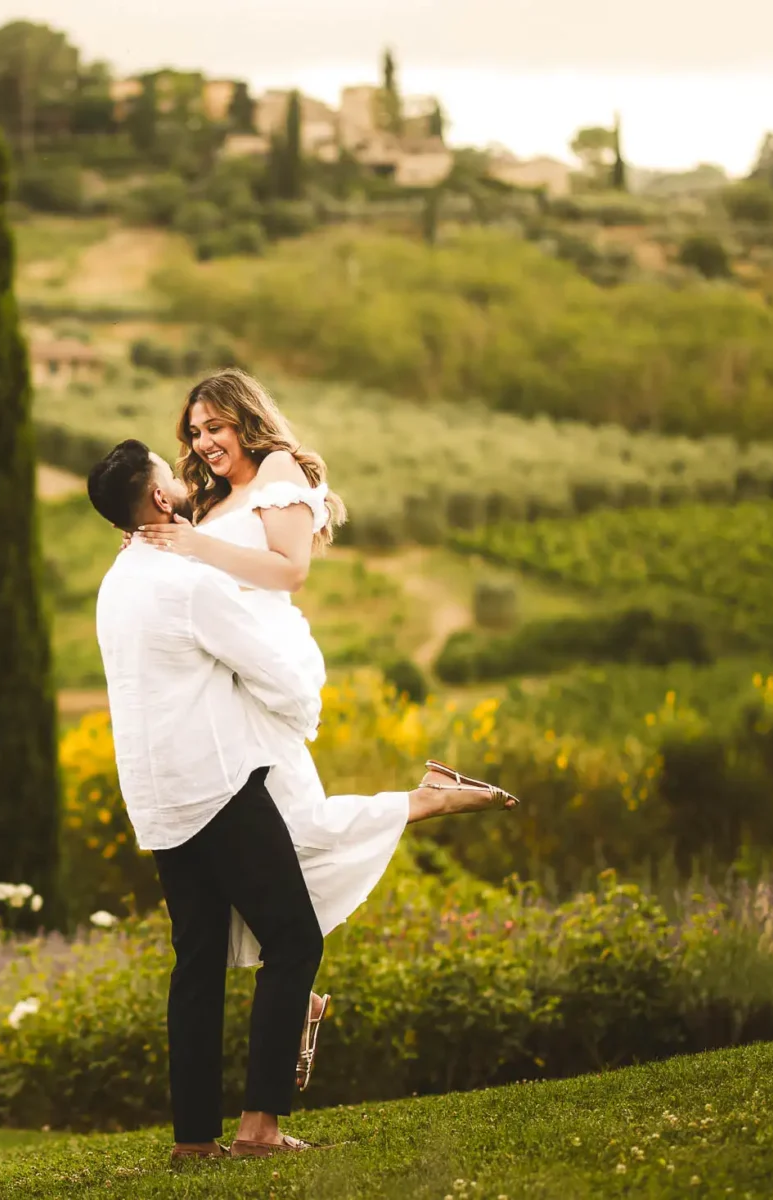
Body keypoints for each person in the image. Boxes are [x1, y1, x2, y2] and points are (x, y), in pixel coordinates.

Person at [88, 433, 517, 1164]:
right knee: (294, 940)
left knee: (197, 961)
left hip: (156, 802)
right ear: (160, 497)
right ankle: (259, 1129)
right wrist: (292, 710)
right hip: (218, 787)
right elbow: (278, 675)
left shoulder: (116, 584)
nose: (183, 476)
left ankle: (194, 1139)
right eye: (170, 473)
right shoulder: (187, 583)